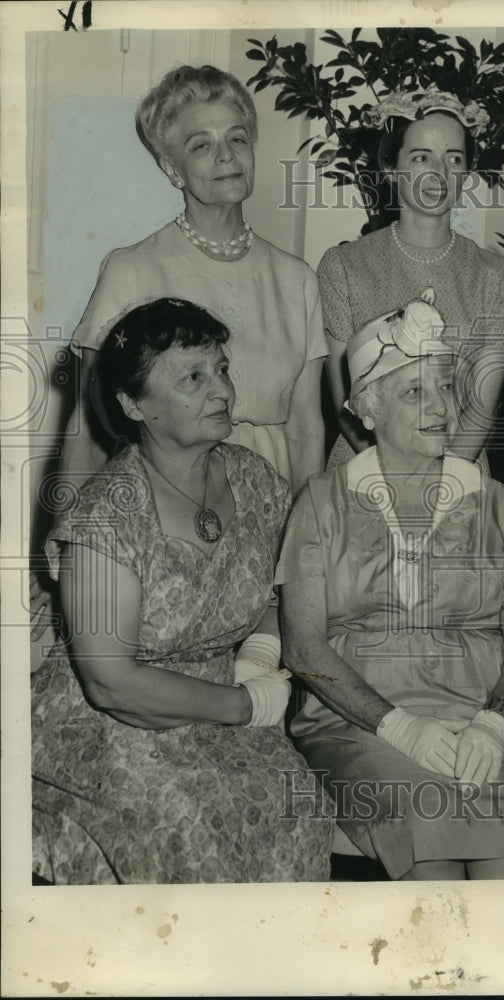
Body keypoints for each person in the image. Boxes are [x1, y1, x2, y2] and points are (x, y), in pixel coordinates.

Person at [31, 298, 334, 884]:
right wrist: (245, 706)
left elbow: (278, 594)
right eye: (192, 378)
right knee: (190, 828)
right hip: (115, 725)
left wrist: (260, 653)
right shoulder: (105, 517)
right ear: (133, 404)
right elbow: (110, 681)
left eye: (221, 368)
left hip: (224, 696)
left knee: (299, 809)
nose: (221, 390)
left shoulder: (253, 478)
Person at [277, 288, 504, 882]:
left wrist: (493, 721)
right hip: (360, 728)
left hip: (488, 721)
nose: (441, 407)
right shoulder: (322, 503)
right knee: (430, 862)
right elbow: (305, 648)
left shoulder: (496, 501)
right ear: (366, 409)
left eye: (446, 387)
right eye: (414, 391)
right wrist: (397, 727)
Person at [60, 64, 327, 496]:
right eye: (202, 145)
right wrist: (68, 543)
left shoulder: (298, 280)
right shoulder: (130, 269)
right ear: (173, 169)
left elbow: (306, 430)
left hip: (270, 510)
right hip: (164, 505)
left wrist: (306, 543)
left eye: (237, 138)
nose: (227, 156)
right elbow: (89, 427)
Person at [318, 86, 504, 471]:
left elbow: (481, 406)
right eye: (421, 157)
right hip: (366, 471)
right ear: (391, 168)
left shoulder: (494, 273)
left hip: (460, 472)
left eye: (453, 158)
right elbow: (345, 402)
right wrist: (399, 482)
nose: (440, 173)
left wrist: (444, 482)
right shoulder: (342, 265)